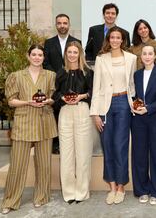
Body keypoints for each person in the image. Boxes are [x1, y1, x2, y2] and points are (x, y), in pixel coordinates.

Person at [0, 45, 56, 214]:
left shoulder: (51, 76)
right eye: (34, 54)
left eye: (40, 55)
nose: (37, 57)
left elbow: (54, 98)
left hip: (44, 122)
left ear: (44, 57)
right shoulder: (16, 76)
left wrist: (47, 101)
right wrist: (28, 102)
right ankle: (10, 201)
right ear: (28, 56)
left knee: (44, 164)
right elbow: (11, 101)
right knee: (17, 164)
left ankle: (41, 196)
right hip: (24, 123)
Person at [90, 26, 136, 205]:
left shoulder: (131, 58)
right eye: (112, 37)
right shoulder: (101, 59)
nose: (115, 40)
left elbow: (132, 84)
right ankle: (112, 187)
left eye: (118, 37)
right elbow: (96, 88)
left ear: (122, 40)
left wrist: (134, 104)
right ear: (108, 39)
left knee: (121, 146)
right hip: (105, 107)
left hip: (124, 103)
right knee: (108, 145)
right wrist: (95, 113)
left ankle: (121, 186)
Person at [53, 41, 94, 204]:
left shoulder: (87, 73)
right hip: (65, 113)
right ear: (66, 54)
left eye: (74, 52)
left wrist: (82, 96)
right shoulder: (60, 73)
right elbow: (55, 94)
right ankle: (69, 192)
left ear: (80, 54)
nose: (71, 55)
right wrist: (62, 97)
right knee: (67, 154)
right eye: (69, 52)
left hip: (82, 111)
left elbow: (93, 92)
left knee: (83, 154)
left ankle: (82, 192)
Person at [131, 45, 156, 205]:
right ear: (141, 57)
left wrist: (148, 108)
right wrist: (135, 107)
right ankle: (142, 190)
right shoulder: (136, 75)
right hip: (138, 120)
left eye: (150, 54)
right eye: (144, 54)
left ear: (155, 56)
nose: (147, 56)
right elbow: (133, 95)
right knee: (139, 156)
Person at [43, 13, 80, 154]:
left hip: (73, 81)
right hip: (56, 82)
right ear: (56, 25)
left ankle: (73, 142)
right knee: (57, 112)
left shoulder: (77, 42)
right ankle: (56, 144)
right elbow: (46, 62)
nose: (62, 26)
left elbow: (79, 59)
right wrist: (58, 75)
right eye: (59, 23)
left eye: (65, 23)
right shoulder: (49, 43)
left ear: (69, 25)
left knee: (72, 112)